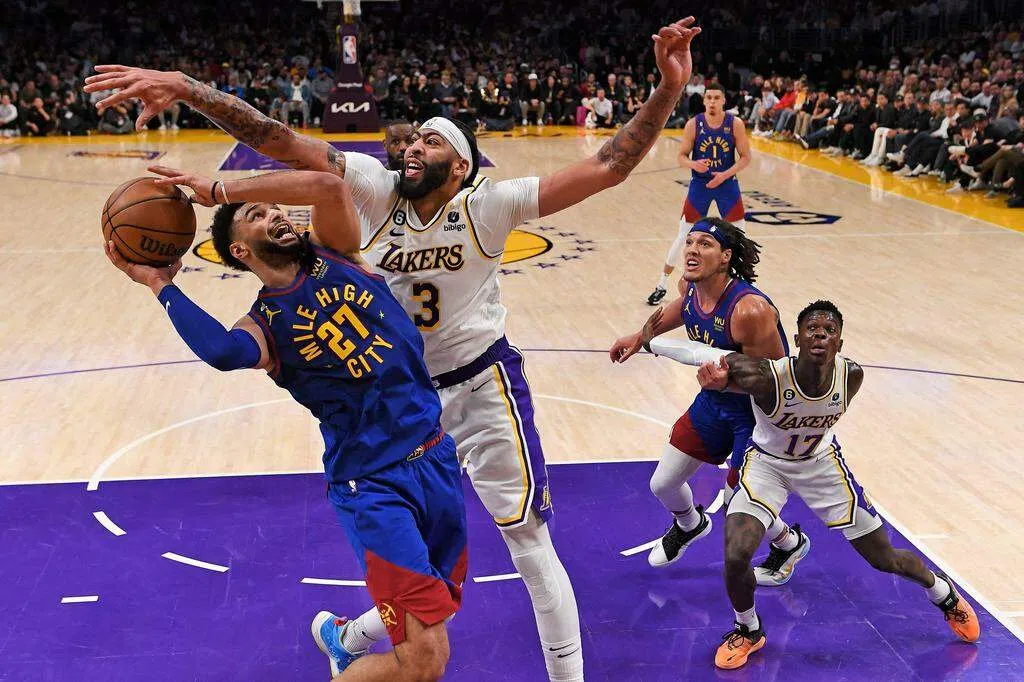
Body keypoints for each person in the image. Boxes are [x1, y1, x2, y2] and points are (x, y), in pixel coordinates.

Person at [85, 17, 704, 682]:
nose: (413, 145)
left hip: (480, 384)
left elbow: (610, 164)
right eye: (412, 137)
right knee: (422, 579)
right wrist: (188, 90)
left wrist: (668, 88)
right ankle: (350, 639)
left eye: (432, 140)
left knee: (524, 542)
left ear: (461, 165)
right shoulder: (374, 191)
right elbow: (279, 139)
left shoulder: (490, 205)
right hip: (397, 403)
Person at [103, 166, 467, 682]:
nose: (276, 214)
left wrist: (226, 190)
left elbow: (328, 186)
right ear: (240, 251)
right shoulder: (264, 325)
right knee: (425, 663)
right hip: (374, 484)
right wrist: (160, 283)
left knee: (438, 603)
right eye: (257, 215)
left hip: (436, 457)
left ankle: (344, 639)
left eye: (276, 208)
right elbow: (222, 351)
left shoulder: (336, 251)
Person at [644, 300, 981, 669]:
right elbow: (699, 353)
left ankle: (942, 592)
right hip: (767, 466)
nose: (820, 334)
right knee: (737, 553)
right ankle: (748, 629)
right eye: (812, 329)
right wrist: (647, 341)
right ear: (798, 339)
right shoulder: (765, 376)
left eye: (829, 330)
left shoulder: (852, 376)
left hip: (821, 466)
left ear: (839, 342)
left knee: (884, 558)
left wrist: (730, 387)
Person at [612, 218, 809, 585]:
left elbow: (777, 381)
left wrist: (727, 381)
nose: (692, 249)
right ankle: (690, 523)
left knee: (739, 504)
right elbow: (680, 308)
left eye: (705, 244)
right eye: (690, 242)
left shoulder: (750, 310)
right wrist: (639, 337)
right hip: (715, 402)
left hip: (759, 414)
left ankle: (788, 543)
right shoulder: (690, 287)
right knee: (663, 484)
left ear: (725, 257)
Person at [646, 85, 750, 306]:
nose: (712, 101)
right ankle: (661, 284)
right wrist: (694, 164)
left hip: (726, 183)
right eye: (709, 97)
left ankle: (743, 285)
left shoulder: (735, 124)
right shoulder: (694, 124)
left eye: (716, 97)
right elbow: (681, 157)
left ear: (724, 100)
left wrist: (724, 175)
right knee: (684, 236)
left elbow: (745, 157)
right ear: (703, 101)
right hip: (700, 185)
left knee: (740, 237)